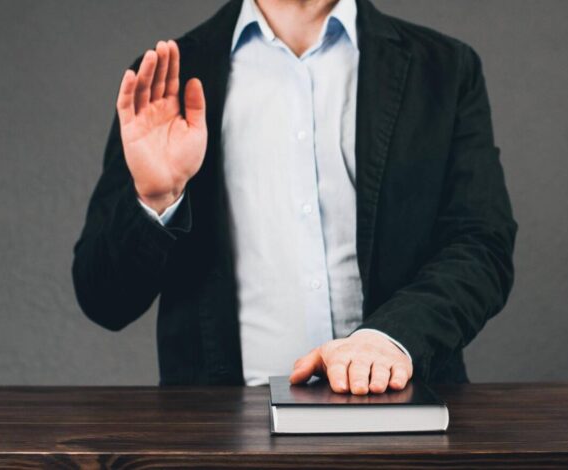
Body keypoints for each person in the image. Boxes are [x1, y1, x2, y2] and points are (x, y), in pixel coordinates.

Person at [72, 0, 516, 395]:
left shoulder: (443, 68)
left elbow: (481, 247)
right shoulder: (169, 79)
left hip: (405, 414)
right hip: (221, 440)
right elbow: (103, 300)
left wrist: (390, 338)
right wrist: (156, 200)